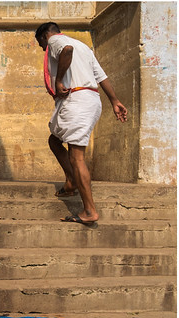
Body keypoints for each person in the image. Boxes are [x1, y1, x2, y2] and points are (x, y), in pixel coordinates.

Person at [35, 22, 128, 224]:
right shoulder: (84, 47)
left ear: (44, 37)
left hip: (77, 101)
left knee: (77, 156)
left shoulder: (57, 41)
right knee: (54, 140)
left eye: (42, 45)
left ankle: (89, 211)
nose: (44, 49)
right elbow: (101, 76)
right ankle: (71, 182)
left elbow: (66, 51)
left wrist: (59, 80)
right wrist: (115, 101)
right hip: (90, 100)